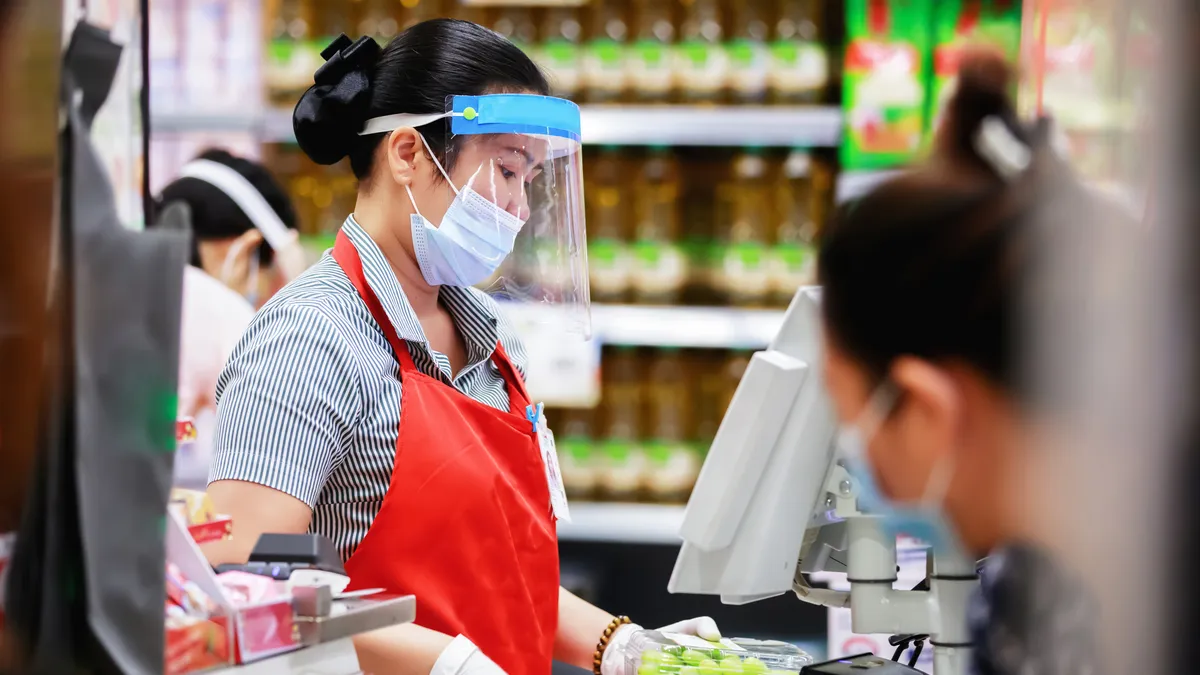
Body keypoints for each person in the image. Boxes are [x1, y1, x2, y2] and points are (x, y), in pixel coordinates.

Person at [205, 19, 718, 675]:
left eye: (530, 178)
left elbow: (499, 575)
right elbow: (247, 587)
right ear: (407, 154)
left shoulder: (496, 345)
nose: (522, 207)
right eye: (506, 169)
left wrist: (619, 643)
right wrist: (443, 660)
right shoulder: (309, 339)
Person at [817, 50, 1114, 675]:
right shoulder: (1038, 587)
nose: (865, 466)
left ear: (925, 409)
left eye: (856, 427)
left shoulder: (1111, 619)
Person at [152, 149, 306, 488]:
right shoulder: (217, 309)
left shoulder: (141, 281)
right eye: (270, 274)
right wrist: (303, 290)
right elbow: (286, 432)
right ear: (249, 249)